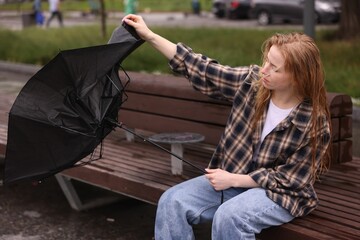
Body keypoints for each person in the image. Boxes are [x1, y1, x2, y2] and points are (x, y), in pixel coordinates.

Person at [122, 14, 332, 239]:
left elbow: (291, 179)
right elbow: (201, 68)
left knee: (230, 216)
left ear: (298, 77)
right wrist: (150, 36)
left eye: (275, 68)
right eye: (266, 61)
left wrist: (234, 179)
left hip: (280, 194)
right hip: (231, 180)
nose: (264, 70)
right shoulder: (252, 84)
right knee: (172, 201)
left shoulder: (314, 122)